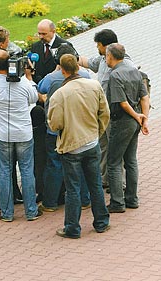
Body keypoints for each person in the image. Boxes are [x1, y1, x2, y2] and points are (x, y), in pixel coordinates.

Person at [48, 54, 110, 239]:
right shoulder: (94, 85)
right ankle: (101, 222)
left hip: (71, 147)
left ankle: (73, 228)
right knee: (95, 184)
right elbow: (104, 113)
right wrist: (96, 132)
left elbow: (54, 124)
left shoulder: (60, 94)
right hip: (92, 142)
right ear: (77, 67)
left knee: (73, 189)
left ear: (63, 70)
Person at [0, 49, 41, 222]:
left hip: (3, 135)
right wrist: (28, 77)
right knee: (27, 171)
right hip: (23, 133)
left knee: (4, 172)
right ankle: (31, 211)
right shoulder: (23, 83)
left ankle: (7, 213)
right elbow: (33, 99)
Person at [38, 43, 91, 212]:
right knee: (81, 164)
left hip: (55, 129)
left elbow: (40, 89)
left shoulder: (51, 77)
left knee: (54, 164)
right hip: (79, 127)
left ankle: (50, 203)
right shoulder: (85, 75)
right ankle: (84, 200)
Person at [79, 29, 133, 189]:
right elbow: (90, 63)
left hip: (115, 112)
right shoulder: (103, 59)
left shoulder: (125, 64)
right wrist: (73, 58)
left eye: (98, 45)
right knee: (103, 145)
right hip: (102, 111)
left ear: (106, 47)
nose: (97, 48)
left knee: (116, 148)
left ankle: (119, 183)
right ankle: (105, 178)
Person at [105, 43, 149, 213]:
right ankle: (132, 198)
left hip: (123, 121)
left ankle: (117, 202)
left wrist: (136, 116)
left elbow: (122, 102)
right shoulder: (134, 71)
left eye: (106, 56)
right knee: (131, 160)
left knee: (114, 162)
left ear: (110, 56)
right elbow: (144, 97)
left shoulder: (115, 75)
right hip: (135, 121)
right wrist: (143, 119)